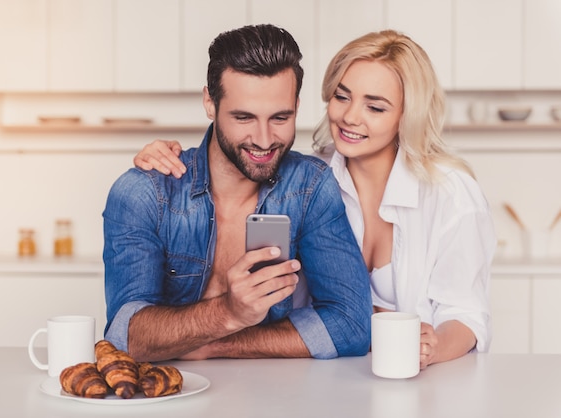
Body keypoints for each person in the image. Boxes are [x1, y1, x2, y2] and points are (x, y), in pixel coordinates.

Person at [133, 29, 496, 369]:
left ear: (407, 115)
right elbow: (237, 158)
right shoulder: (307, 179)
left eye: (376, 107)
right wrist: (171, 158)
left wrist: (433, 348)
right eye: (342, 96)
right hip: (324, 373)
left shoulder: (451, 193)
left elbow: (465, 314)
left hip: (412, 372)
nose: (350, 117)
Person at [103, 24, 372, 363]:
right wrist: (229, 314)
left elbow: (352, 326)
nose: (263, 139)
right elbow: (126, 337)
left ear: (297, 106)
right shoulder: (143, 193)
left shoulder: (309, 187)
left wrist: (215, 343)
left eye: (280, 117)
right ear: (210, 103)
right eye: (244, 117)